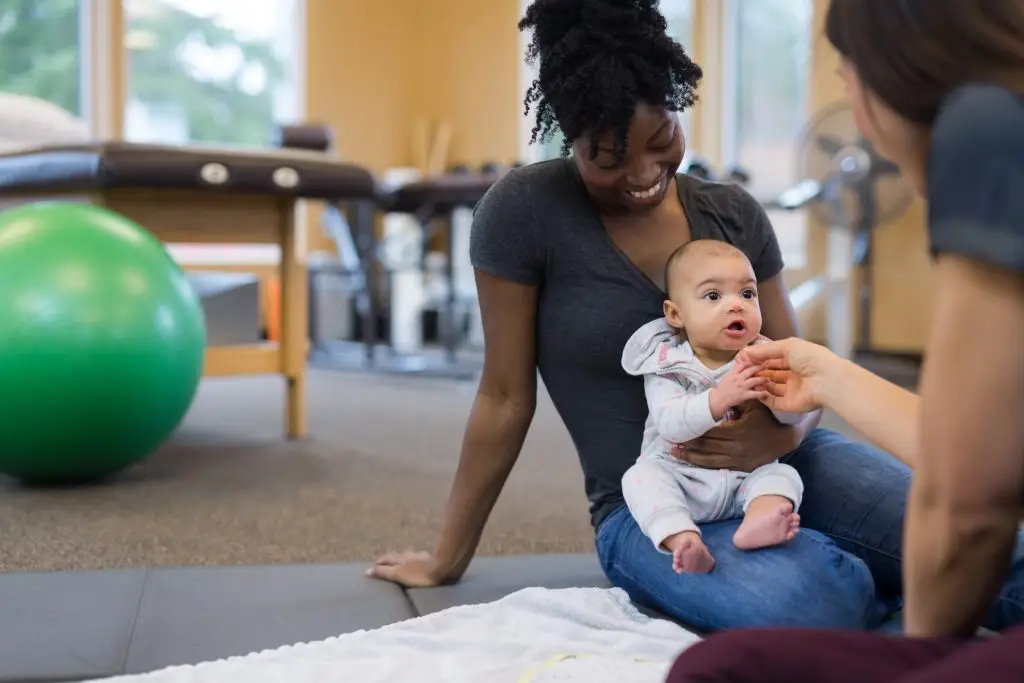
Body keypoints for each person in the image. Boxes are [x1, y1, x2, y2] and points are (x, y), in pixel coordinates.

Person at [367, 0, 1024, 634]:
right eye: (609, 157)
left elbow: (802, 377)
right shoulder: (523, 213)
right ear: (568, 137)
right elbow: (504, 397)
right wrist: (448, 556)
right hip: (656, 502)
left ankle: (883, 581)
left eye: (662, 141)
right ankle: (879, 584)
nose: (643, 173)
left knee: (1007, 558)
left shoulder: (731, 213)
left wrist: (782, 441)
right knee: (818, 601)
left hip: (784, 465)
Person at [666, 0, 1024, 680]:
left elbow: (971, 501)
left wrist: (920, 658)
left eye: (847, 80)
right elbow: (985, 448)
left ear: (890, 71)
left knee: (716, 670)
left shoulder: (986, 130)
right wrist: (824, 373)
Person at [620, 239, 804, 575]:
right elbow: (670, 423)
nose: (736, 305)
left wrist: (783, 399)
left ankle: (760, 519)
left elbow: (793, 416)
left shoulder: (764, 357)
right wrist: (719, 398)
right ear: (675, 314)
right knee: (639, 479)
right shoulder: (667, 365)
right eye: (713, 296)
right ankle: (683, 538)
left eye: (747, 294)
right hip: (680, 476)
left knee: (783, 476)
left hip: (744, 478)